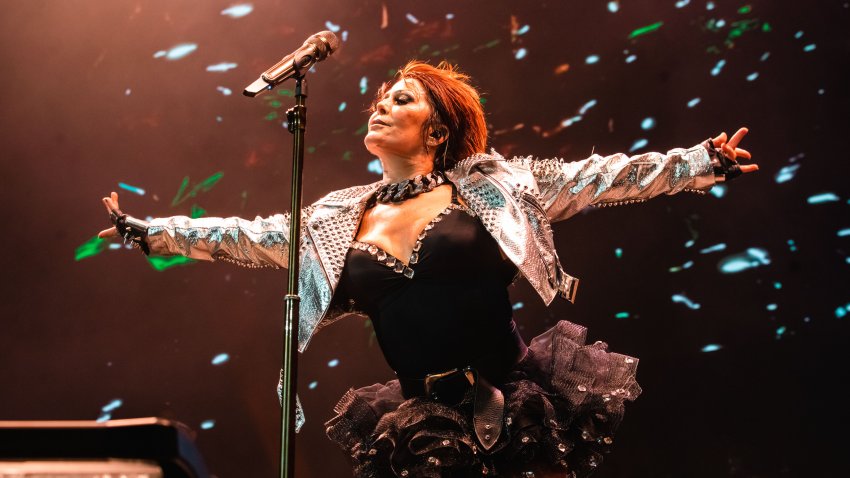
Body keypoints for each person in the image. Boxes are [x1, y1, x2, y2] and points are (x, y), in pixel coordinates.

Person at [99, 60, 756, 477]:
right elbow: (249, 235)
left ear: (437, 130)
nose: (379, 105)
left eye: (401, 99)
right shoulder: (335, 217)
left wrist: (701, 162)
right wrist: (150, 232)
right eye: (379, 99)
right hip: (417, 420)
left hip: (512, 404)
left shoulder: (492, 186)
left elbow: (596, 176)